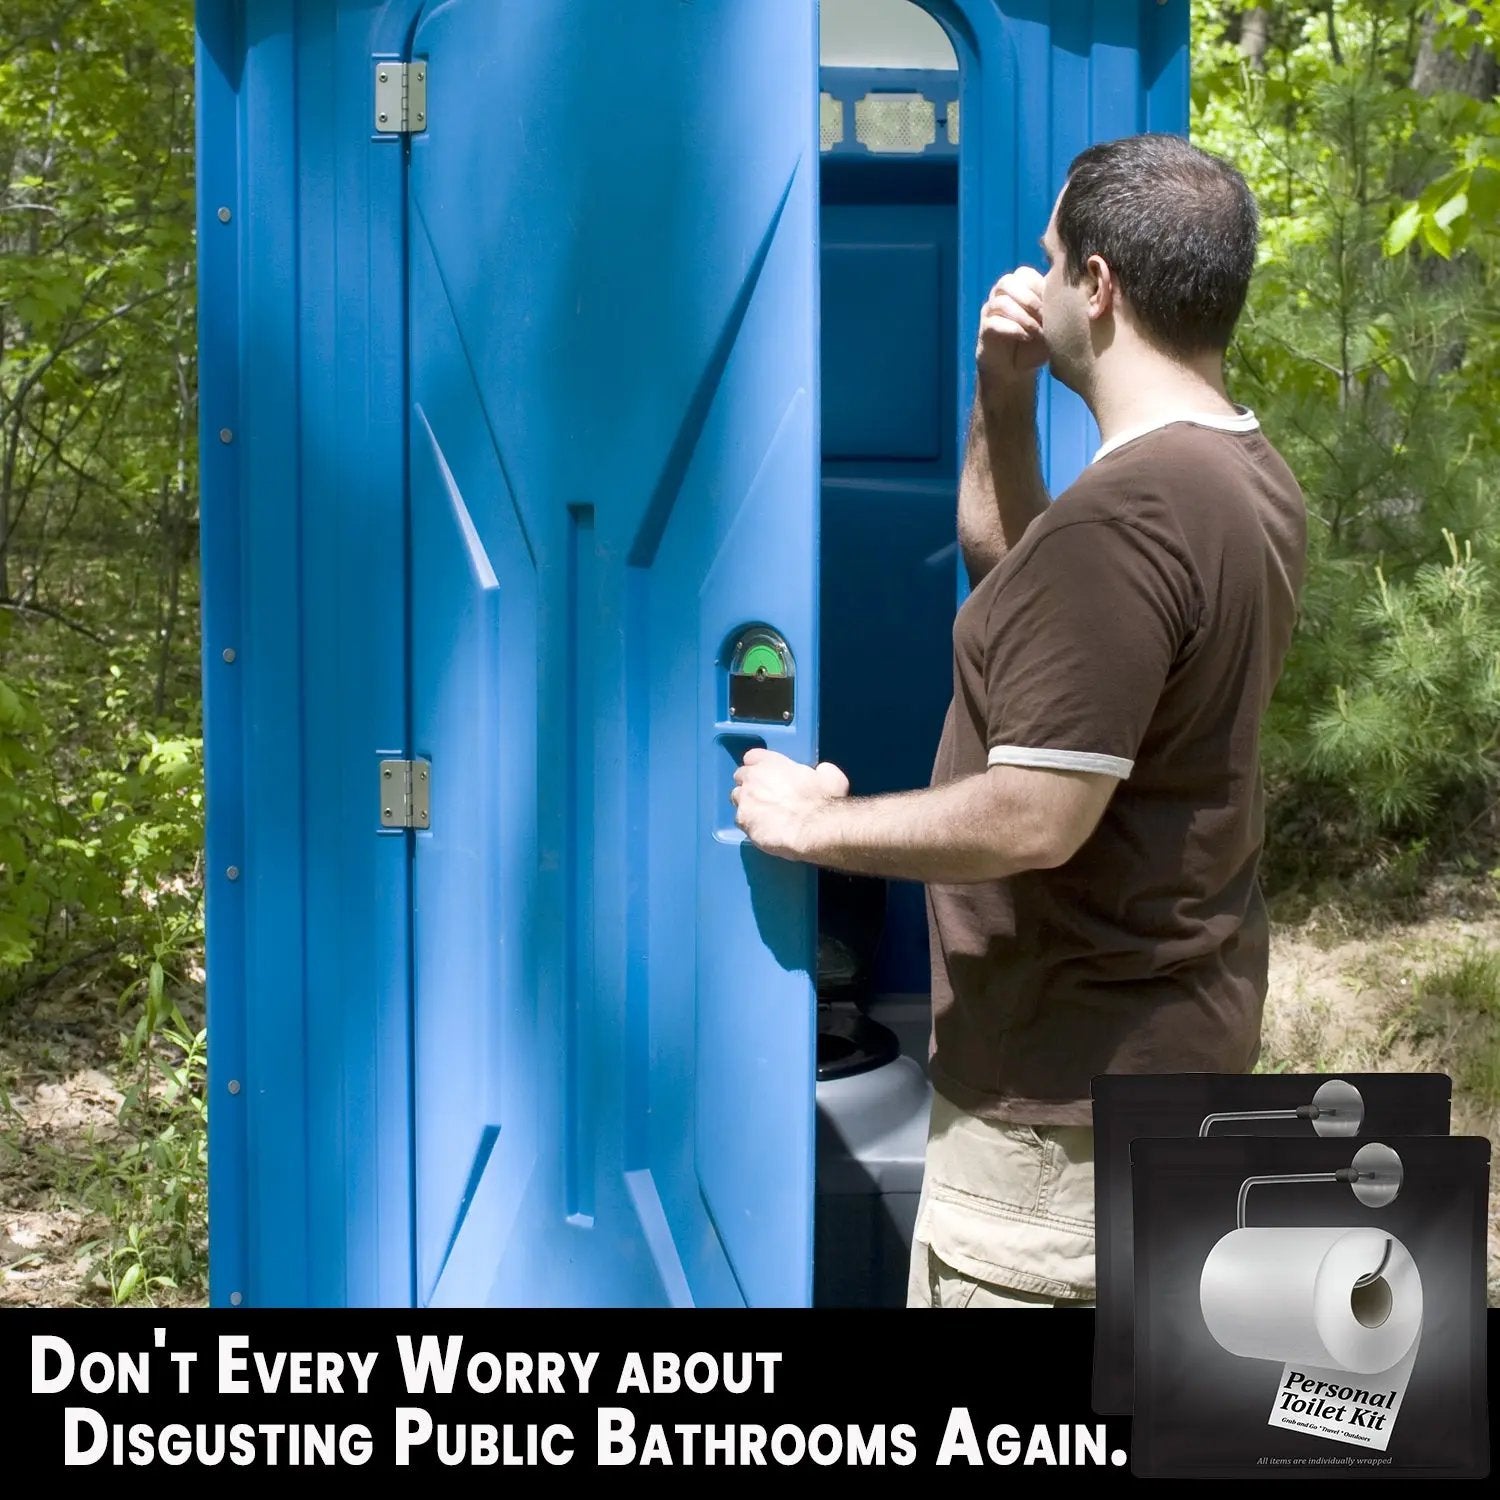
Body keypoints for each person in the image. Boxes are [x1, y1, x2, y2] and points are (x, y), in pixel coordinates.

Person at [730, 132, 1308, 1309]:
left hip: (1056, 1134)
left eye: (1051, 260)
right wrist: (1003, 392)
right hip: (1162, 1071)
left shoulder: (1129, 518)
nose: (1034, 281)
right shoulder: (1243, 478)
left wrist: (812, 825)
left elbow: (1036, 817)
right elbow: (1028, 585)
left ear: (1097, 285)